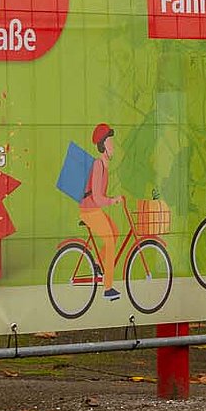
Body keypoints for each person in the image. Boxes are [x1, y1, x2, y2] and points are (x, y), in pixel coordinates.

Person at [80, 124, 126, 302]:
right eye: (110, 141)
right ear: (103, 145)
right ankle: (108, 288)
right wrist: (113, 200)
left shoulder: (104, 166)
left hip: (93, 208)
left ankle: (98, 264)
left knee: (114, 232)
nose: (113, 145)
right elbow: (98, 198)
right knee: (109, 239)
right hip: (89, 210)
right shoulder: (98, 165)